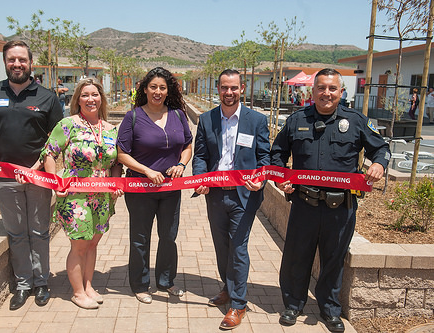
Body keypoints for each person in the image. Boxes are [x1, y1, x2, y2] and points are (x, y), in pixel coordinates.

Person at [271, 68, 390, 332]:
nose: (326, 93)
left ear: (341, 92)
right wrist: (281, 178)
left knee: (333, 259)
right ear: (312, 91)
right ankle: (293, 304)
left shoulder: (356, 121)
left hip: (341, 208)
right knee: (296, 257)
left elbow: (381, 148)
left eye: (332, 88)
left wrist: (379, 165)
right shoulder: (296, 120)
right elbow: (277, 153)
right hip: (304, 204)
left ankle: (330, 309)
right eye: (321, 88)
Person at [0, 40, 63, 311]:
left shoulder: (47, 97)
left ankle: (41, 283)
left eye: (22, 60)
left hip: (37, 177)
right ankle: (23, 284)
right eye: (12, 60)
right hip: (3, 178)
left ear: (31, 63)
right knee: (17, 234)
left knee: (39, 232)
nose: (17, 64)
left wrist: (38, 168)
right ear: (6, 62)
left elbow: (57, 140)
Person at [192, 69, 271, 330]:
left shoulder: (257, 120)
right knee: (221, 245)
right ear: (218, 89)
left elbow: (264, 158)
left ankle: (238, 304)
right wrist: (200, 179)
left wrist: (261, 179)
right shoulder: (206, 120)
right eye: (225, 88)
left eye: (234, 88)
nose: (229, 93)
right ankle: (227, 287)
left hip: (244, 196)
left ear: (242, 88)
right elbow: (201, 155)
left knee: (238, 247)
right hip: (214, 194)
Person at [40, 78, 123, 309]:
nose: (90, 99)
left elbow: (117, 161)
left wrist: (116, 181)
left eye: (94, 94)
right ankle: (77, 293)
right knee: (79, 244)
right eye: (85, 95)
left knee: (93, 243)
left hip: (102, 196)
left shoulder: (109, 129)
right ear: (77, 99)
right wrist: (55, 182)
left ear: (101, 98)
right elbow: (49, 152)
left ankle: (88, 286)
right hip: (75, 195)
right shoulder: (68, 124)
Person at [117, 67, 192, 304]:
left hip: (170, 189)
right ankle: (140, 285)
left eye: (162, 87)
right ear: (145, 89)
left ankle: (166, 281)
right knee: (140, 238)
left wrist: (181, 163)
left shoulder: (179, 115)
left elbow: (188, 146)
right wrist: (147, 170)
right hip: (140, 189)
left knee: (168, 236)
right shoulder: (134, 117)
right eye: (153, 87)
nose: (157, 92)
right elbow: (121, 154)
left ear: (168, 90)